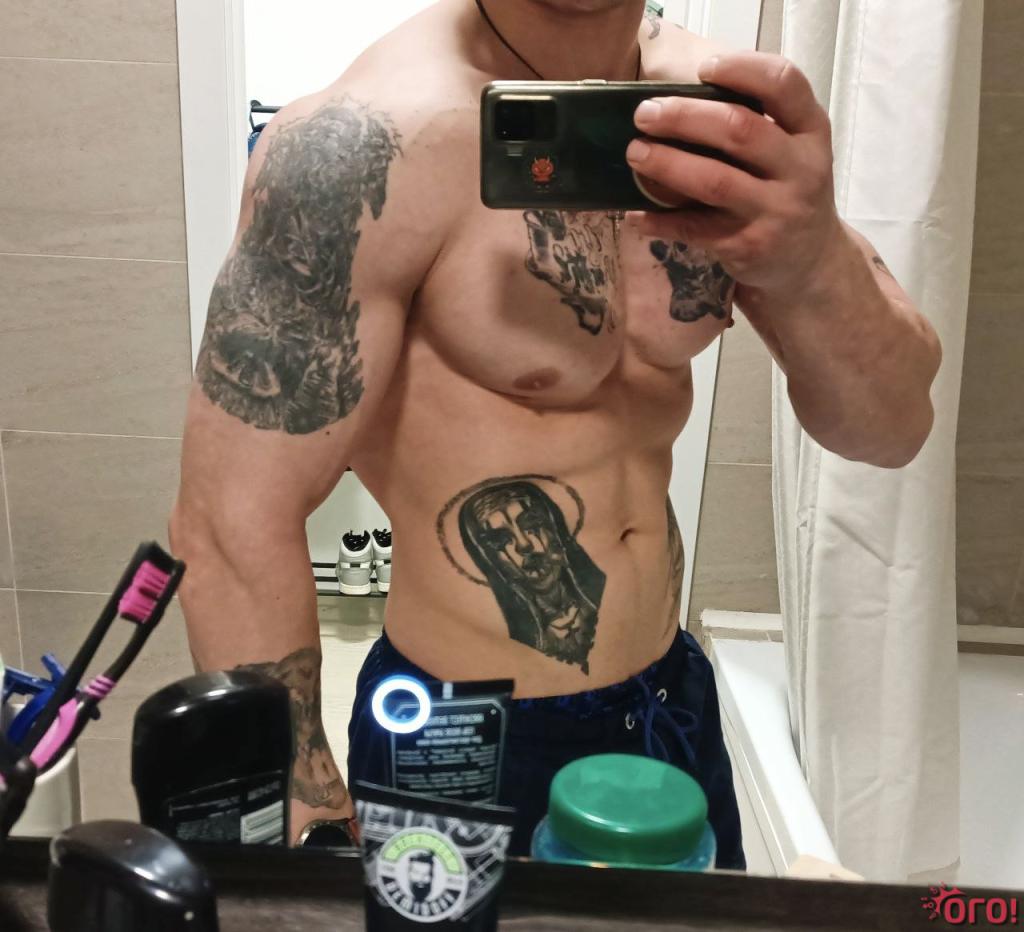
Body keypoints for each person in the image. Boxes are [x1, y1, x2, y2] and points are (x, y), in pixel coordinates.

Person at [170, 0, 941, 869]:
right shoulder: (361, 145)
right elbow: (229, 524)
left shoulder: (721, 120)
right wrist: (309, 821)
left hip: (668, 705)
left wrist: (811, 256)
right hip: (463, 733)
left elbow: (890, 429)